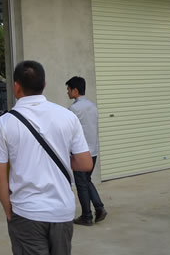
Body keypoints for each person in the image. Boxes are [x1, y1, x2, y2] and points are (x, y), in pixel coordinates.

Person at [0, 61, 93, 255]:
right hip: (62, 211)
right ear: (44, 84)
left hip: (26, 212)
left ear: (16, 86)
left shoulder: (3, 123)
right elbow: (85, 163)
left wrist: (8, 210)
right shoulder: (67, 116)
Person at [66, 76, 108, 226]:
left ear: (75, 91)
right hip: (93, 151)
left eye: (68, 89)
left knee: (81, 184)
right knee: (86, 180)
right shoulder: (93, 106)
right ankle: (99, 208)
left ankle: (87, 216)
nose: (67, 92)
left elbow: (69, 131)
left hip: (80, 152)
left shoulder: (74, 109)